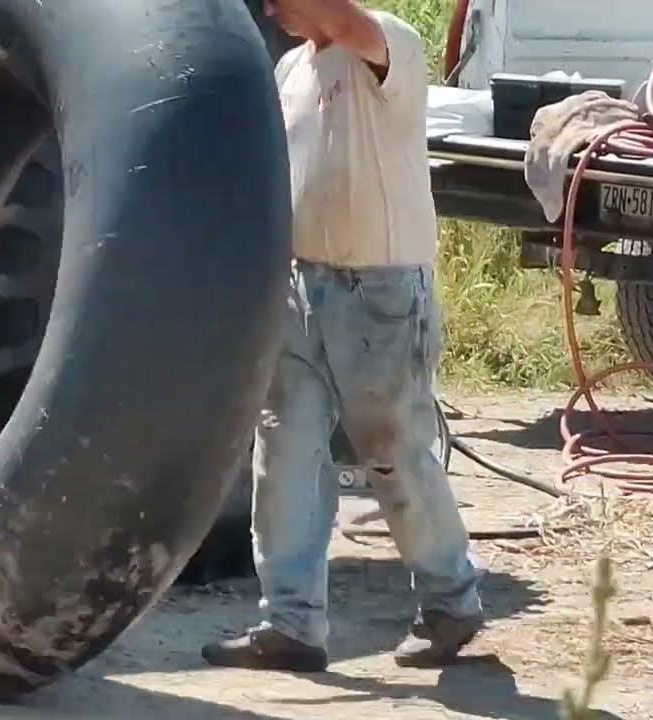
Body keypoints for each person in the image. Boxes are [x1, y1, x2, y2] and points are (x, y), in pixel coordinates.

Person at [201, 0, 484, 671]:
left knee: (394, 450)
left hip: (380, 288)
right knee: (286, 449)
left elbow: (346, 22)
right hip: (301, 284)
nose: (271, 10)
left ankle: (451, 602)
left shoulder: (387, 47)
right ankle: (291, 623)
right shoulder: (290, 71)